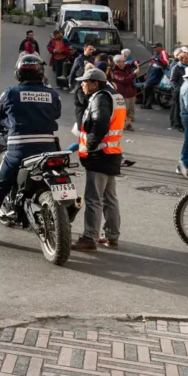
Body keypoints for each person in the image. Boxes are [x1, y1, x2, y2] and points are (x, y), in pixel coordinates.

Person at [0, 54, 62, 215]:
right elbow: (56, 114)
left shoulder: (10, 93)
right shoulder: (52, 94)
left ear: (18, 73)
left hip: (19, 150)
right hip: (49, 149)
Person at [71, 67, 126, 252]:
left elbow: (100, 123)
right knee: (110, 198)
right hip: (112, 154)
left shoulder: (100, 98)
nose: (82, 85)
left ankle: (89, 238)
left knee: (94, 199)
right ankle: (112, 237)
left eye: (85, 82)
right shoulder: (114, 95)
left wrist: (91, 145)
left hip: (100, 155)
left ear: (95, 83)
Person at [111, 55, 138, 132]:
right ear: (118, 63)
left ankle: (128, 124)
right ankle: (121, 124)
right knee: (124, 110)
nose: (124, 63)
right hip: (124, 94)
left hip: (131, 92)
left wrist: (135, 62)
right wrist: (134, 74)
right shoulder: (116, 72)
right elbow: (125, 80)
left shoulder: (126, 67)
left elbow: (131, 63)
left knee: (130, 110)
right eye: (122, 61)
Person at [168, 48, 188, 130]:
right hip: (178, 91)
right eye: (186, 58)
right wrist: (179, 89)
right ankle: (177, 124)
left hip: (185, 91)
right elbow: (172, 81)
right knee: (177, 107)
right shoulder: (176, 68)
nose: (187, 60)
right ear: (181, 59)